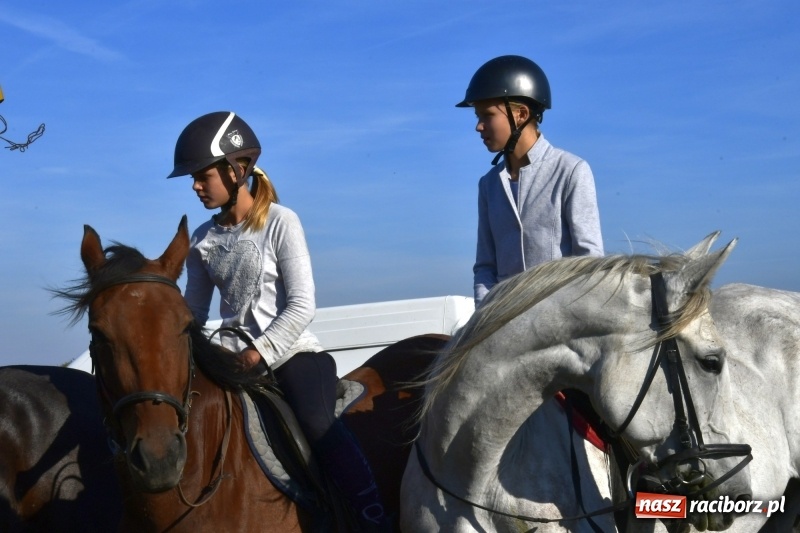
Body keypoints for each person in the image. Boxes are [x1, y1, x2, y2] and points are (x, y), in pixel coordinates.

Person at [167, 111, 390, 532]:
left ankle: (370, 516)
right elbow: (193, 313)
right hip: (233, 362)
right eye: (193, 178)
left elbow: (303, 304)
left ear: (238, 169)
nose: (195, 186)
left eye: (202, 175)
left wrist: (257, 353)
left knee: (315, 421)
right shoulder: (202, 240)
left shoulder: (281, 222)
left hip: (291, 355)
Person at [456, 55, 604, 304]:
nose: (478, 126)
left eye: (487, 115)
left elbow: (590, 261)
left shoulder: (571, 170)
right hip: (503, 328)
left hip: (561, 324)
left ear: (522, 114)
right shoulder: (488, 185)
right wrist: (484, 318)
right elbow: (485, 268)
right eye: (477, 117)